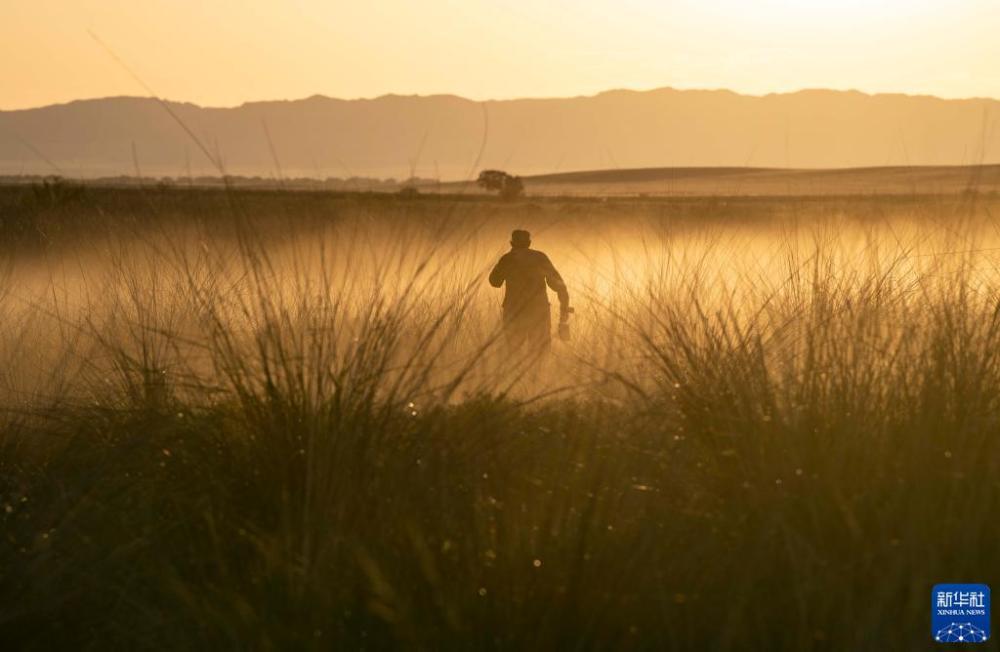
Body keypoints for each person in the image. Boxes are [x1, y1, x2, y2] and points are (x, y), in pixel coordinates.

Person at [488, 229, 570, 355]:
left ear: (511, 243)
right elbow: (560, 286)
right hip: (539, 312)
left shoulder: (507, 259)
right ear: (529, 243)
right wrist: (564, 315)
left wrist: (505, 263)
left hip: (514, 312)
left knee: (513, 354)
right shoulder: (540, 258)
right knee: (540, 355)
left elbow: (494, 282)